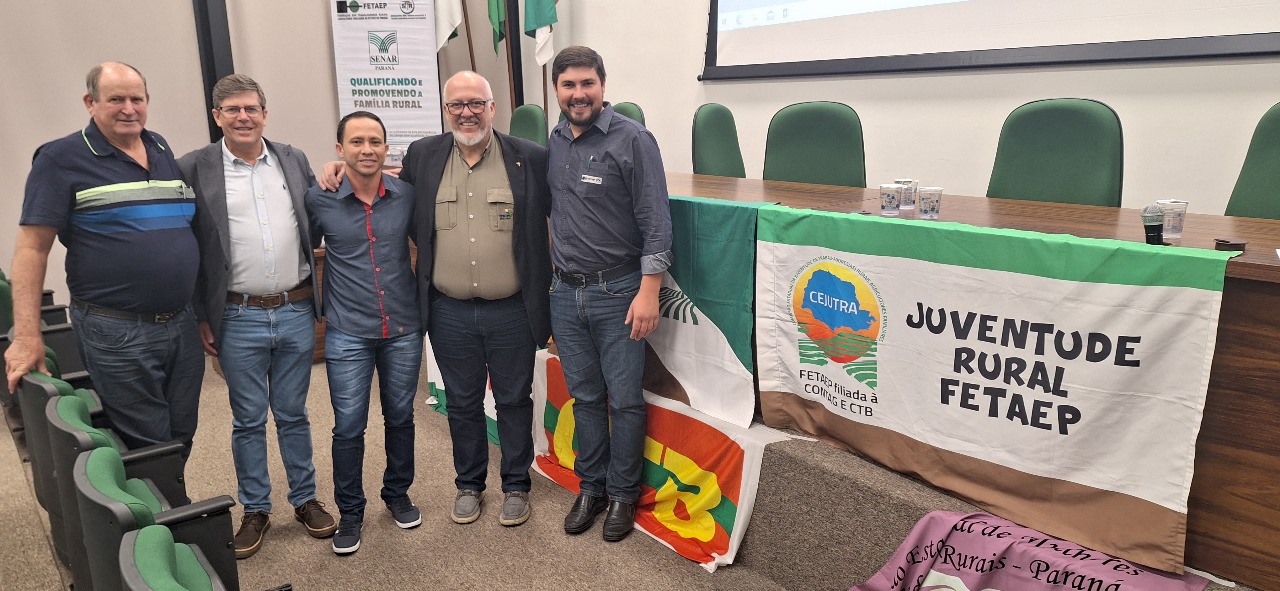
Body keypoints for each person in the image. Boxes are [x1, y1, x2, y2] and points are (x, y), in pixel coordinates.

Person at [6, 62, 204, 459]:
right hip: (116, 330)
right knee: (150, 444)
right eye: (116, 99)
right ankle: (161, 499)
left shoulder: (160, 148)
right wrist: (27, 336)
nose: (128, 109)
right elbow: (31, 249)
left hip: (180, 324)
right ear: (90, 102)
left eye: (136, 99)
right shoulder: (60, 158)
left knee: (182, 432)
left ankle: (170, 493)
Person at [178, 74, 336, 559]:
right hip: (236, 315)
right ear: (217, 116)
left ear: (265, 114)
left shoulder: (292, 158)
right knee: (247, 419)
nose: (243, 117)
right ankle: (256, 508)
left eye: (251, 109)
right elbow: (186, 247)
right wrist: (201, 314)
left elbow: (318, 213)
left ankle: (305, 499)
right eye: (232, 110)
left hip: (294, 309)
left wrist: (340, 168)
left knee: (293, 413)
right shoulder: (194, 167)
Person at [397, 71, 551, 527]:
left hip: (512, 309)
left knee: (514, 400)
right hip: (448, 311)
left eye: (476, 104)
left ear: (492, 107)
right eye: (456, 105)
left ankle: (517, 485)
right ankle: (469, 484)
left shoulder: (529, 157)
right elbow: (391, 202)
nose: (467, 113)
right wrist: (340, 171)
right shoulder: (423, 156)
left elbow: (564, 212)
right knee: (462, 403)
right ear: (445, 110)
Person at [547, 46, 673, 542]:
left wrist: (649, 291)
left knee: (624, 401)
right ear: (556, 90)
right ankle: (591, 488)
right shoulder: (555, 139)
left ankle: (622, 494)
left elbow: (656, 221)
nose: (578, 94)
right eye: (569, 85)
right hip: (565, 292)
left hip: (619, 292)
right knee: (584, 397)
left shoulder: (633, 139)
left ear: (603, 85)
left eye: (587, 83)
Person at [307, 111, 422, 555]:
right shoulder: (320, 197)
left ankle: (397, 493)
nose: (367, 149)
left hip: (402, 326)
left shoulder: (406, 194)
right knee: (349, 426)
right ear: (340, 149)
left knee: (401, 417)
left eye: (375, 141)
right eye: (356, 142)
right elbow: (302, 249)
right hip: (347, 330)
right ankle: (351, 512)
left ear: (386, 148)